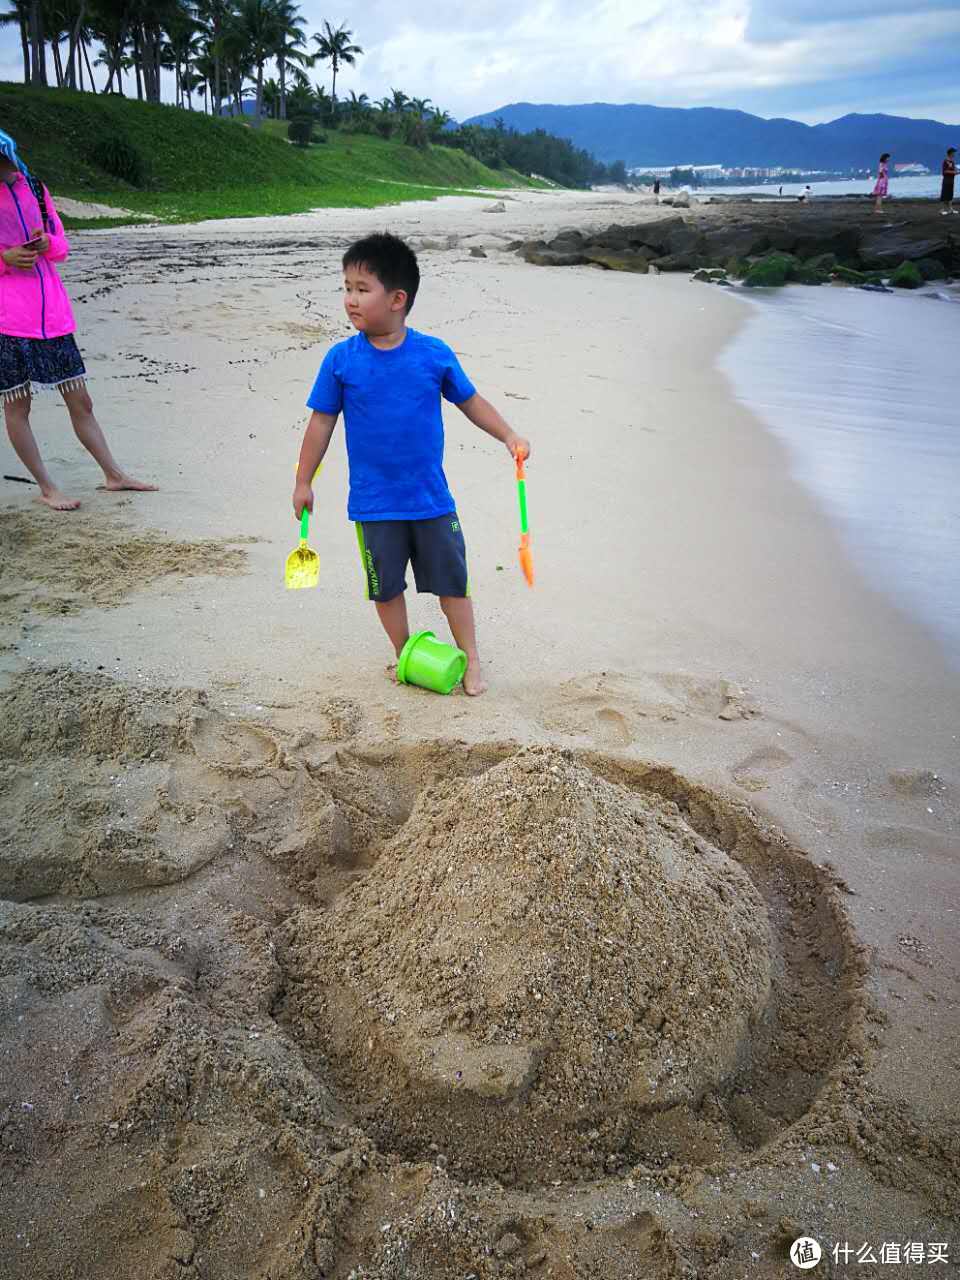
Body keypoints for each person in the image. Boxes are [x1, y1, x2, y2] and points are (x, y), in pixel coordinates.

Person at [292, 233, 530, 697]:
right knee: (385, 589)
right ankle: (406, 653)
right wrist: (303, 481)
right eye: (346, 288)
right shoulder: (341, 361)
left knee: (452, 585)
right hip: (374, 503)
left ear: (397, 299)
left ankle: (472, 658)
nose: (350, 300)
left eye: (362, 289)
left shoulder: (432, 354)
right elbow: (320, 425)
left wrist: (509, 435)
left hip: (430, 500)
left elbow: (470, 401)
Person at [0, 131, 155, 511]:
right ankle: (47, 487)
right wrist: (4, 259)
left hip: (52, 315)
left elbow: (62, 247)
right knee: (18, 408)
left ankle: (114, 474)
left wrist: (44, 243)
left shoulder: (34, 187)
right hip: (9, 320)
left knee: (81, 401)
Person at [940, 147, 957, 215]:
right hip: (946, 180)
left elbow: (954, 170)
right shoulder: (945, 161)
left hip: (951, 180)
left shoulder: (952, 161)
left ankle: (950, 209)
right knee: (944, 194)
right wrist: (954, 172)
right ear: (950, 153)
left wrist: (956, 171)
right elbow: (944, 171)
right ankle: (942, 210)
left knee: (950, 194)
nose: (954, 154)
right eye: (953, 153)